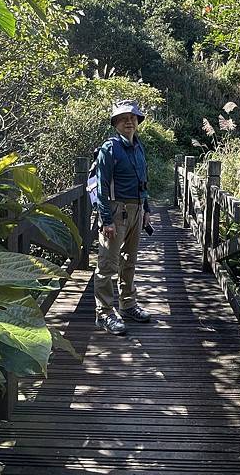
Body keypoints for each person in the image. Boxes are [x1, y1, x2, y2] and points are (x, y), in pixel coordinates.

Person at [94, 99, 152, 335]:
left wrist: (147, 209)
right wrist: (106, 220)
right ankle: (105, 313)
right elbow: (101, 186)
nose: (129, 122)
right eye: (124, 118)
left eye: (133, 118)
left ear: (137, 121)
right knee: (107, 264)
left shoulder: (138, 146)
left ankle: (127, 304)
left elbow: (143, 181)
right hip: (116, 211)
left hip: (137, 209)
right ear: (116, 123)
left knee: (129, 261)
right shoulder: (109, 148)